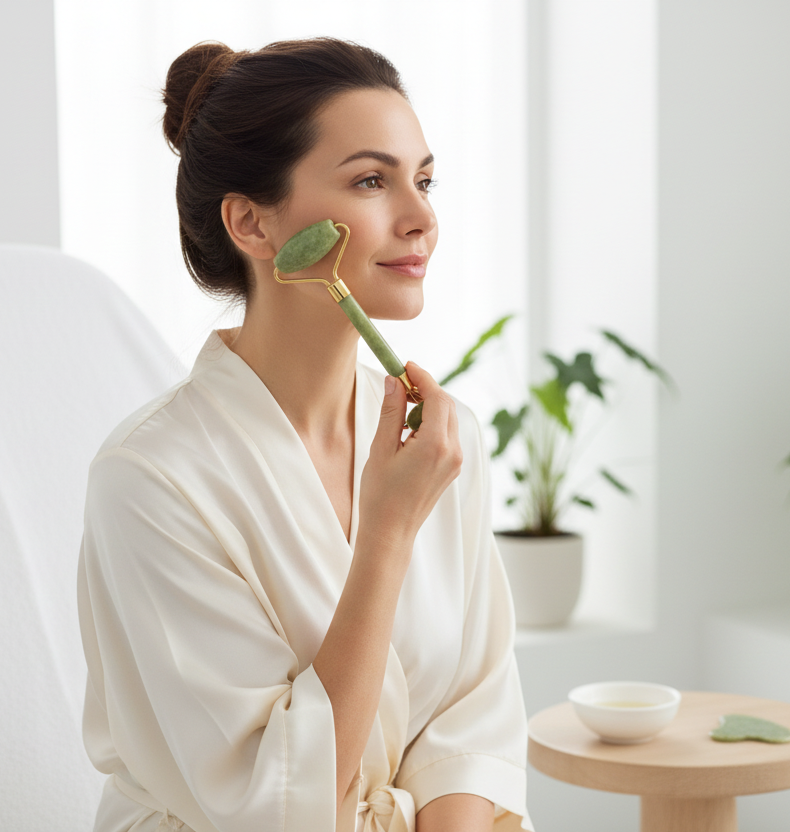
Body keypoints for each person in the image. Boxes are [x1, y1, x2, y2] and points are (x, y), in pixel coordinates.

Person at [76, 38, 532, 832]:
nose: (422, 217)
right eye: (370, 181)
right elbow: (276, 801)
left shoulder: (434, 440)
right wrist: (386, 530)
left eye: (423, 180)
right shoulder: (151, 480)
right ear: (252, 223)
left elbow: (474, 713)